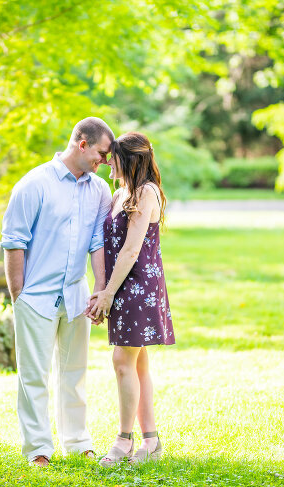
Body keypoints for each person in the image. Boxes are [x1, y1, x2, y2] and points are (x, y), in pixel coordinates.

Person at [0, 117, 114, 467]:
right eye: (101, 153)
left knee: (75, 372)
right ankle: (38, 449)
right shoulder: (34, 184)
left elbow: (98, 242)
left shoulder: (99, 190)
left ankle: (77, 442)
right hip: (35, 297)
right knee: (34, 376)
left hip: (76, 296)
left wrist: (100, 289)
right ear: (82, 144)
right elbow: (13, 242)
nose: (105, 162)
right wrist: (18, 293)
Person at [87, 131, 175, 466]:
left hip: (137, 287)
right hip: (120, 286)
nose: (108, 160)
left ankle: (124, 440)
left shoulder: (146, 192)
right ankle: (151, 441)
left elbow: (132, 248)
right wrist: (104, 290)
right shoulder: (120, 192)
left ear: (131, 159)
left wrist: (107, 294)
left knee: (122, 362)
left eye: (114, 155)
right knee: (136, 364)